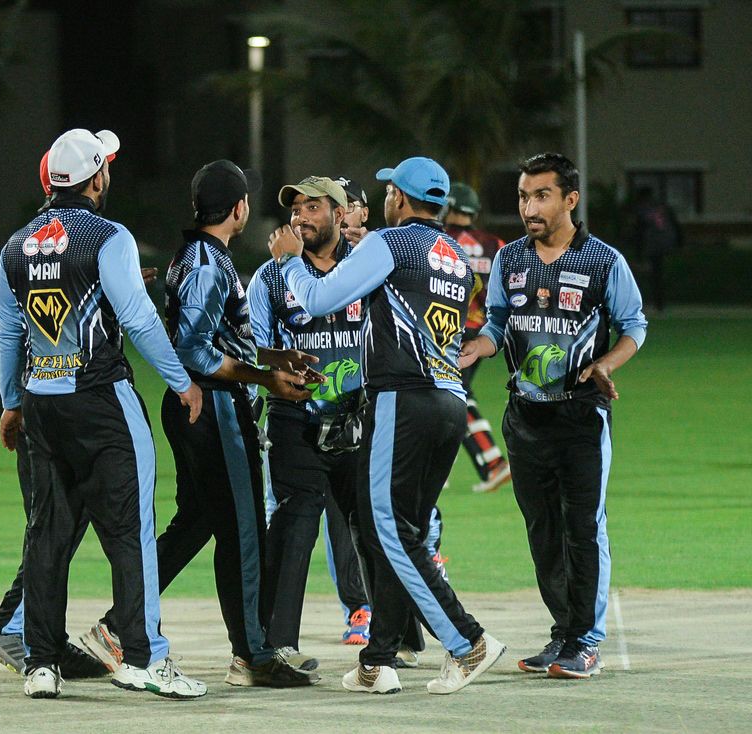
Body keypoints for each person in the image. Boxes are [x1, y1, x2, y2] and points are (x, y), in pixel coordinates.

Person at [269, 156, 505, 696]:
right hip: (451, 402)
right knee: (406, 533)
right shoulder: (453, 254)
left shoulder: (390, 242)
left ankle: (468, 641)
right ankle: (377, 660)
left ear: (399, 197)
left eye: (389, 191)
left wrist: (289, 261)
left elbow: (319, 298)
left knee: (386, 530)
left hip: (404, 397)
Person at [79, 159, 320, 689]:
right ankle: (253, 655)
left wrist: (274, 357)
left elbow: (216, 335)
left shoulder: (195, 255)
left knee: (196, 523)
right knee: (244, 531)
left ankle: (116, 627)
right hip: (213, 409)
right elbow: (194, 350)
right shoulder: (211, 264)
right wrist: (266, 378)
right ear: (239, 208)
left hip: (195, 406)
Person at [0, 128, 206, 699]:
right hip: (102, 403)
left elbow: (9, 332)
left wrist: (11, 403)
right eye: (106, 165)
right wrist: (181, 381)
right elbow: (138, 319)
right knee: (130, 531)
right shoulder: (108, 236)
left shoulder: (16, 245)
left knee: (46, 535)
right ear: (96, 178)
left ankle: (41, 664)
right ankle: (144, 658)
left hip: (41, 404)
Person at [460, 152, 648, 679]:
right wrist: (479, 347)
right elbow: (497, 322)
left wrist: (606, 364)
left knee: (582, 529)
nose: (529, 208)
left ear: (570, 199)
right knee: (542, 532)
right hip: (524, 418)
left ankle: (585, 641)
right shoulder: (509, 259)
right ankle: (563, 633)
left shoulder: (603, 261)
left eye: (541, 196)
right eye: (523, 196)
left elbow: (634, 325)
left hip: (581, 417)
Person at [0, 137, 131, 681]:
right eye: (104, 166)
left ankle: (42, 638)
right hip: (49, 390)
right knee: (56, 521)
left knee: (58, 520)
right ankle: (14, 627)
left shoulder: (52, 237)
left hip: (39, 388)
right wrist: (12, 402)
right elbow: (17, 326)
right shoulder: (83, 234)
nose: (108, 174)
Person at [248, 176, 369, 668]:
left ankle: (393, 636)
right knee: (295, 521)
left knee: (373, 523)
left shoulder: (367, 265)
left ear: (340, 215)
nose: (300, 216)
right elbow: (250, 347)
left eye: (313, 207)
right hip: (294, 414)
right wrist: (270, 374)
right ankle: (274, 645)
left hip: (359, 416)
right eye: (296, 208)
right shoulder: (269, 277)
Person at [444, 182, 512, 493]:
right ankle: (441, 465)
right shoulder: (495, 244)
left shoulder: (440, 240)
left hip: (446, 329)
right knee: (451, 394)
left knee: (453, 395)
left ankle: (493, 461)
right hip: (483, 331)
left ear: (449, 207)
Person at [631, 187, 681, 311]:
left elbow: (639, 231)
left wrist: (638, 253)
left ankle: (655, 302)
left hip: (653, 245)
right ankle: (659, 302)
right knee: (658, 273)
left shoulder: (643, 211)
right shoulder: (661, 207)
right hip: (666, 243)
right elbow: (675, 224)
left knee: (654, 275)